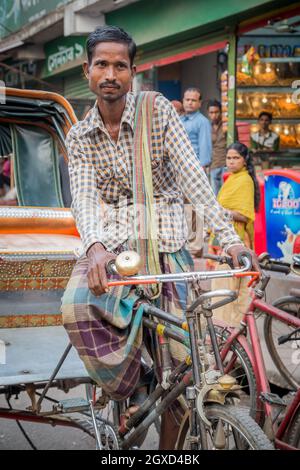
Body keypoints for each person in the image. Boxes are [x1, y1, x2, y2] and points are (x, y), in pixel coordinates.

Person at [61, 26, 259, 448]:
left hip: (167, 245)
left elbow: (193, 178)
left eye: (120, 65)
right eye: (102, 64)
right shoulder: (79, 137)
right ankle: (139, 381)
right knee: (76, 308)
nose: (110, 73)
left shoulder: (157, 112)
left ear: (133, 72)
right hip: (110, 247)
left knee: (184, 371)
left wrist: (231, 240)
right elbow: (83, 198)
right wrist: (94, 247)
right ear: (87, 71)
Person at [208, 142, 260, 326]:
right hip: (225, 239)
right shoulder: (231, 178)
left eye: (235, 158)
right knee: (228, 287)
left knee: (228, 288)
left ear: (244, 160)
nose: (231, 161)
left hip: (235, 241)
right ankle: (228, 328)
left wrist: (224, 213)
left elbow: (245, 216)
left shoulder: (244, 180)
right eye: (229, 158)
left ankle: (227, 329)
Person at [181, 88, 212, 257]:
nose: (189, 103)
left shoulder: (202, 122)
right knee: (182, 208)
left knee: (195, 209)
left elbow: (205, 149)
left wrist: (199, 171)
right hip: (178, 170)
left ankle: (195, 247)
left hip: (194, 170)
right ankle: (184, 243)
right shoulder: (180, 120)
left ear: (199, 103)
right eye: (187, 99)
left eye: (193, 100)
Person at [207, 99, 227, 195]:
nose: (214, 115)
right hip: (213, 164)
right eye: (211, 112)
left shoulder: (227, 126)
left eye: (216, 112)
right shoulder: (206, 126)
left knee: (226, 194)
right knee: (215, 195)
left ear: (221, 113)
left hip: (226, 164)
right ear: (208, 113)